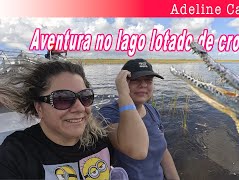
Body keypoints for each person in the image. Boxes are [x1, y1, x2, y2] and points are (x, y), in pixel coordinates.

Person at [0, 60, 148, 179]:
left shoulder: (98, 138)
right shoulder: (17, 153)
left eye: (85, 97)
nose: (79, 107)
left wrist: (123, 93)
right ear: (39, 107)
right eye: (62, 98)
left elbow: (139, 151)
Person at [99, 58, 180, 180]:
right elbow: (134, 150)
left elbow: (163, 152)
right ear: (124, 83)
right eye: (136, 80)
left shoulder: (152, 111)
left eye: (148, 80)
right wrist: (123, 95)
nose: (143, 85)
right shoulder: (109, 113)